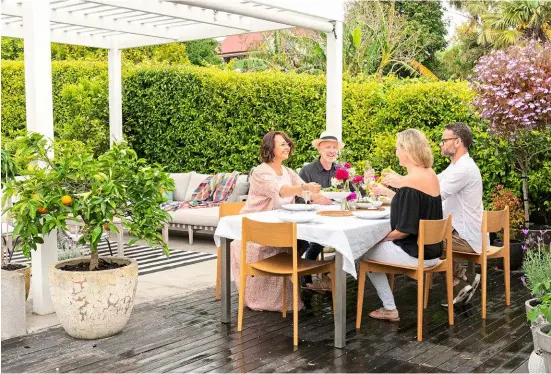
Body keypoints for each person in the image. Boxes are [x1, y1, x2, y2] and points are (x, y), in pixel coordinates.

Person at [374, 123, 484, 305]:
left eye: (444, 140)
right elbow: (425, 187)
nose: (440, 144)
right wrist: (402, 182)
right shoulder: (455, 167)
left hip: (463, 234)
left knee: (427, 238)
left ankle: (461, 279)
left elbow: (431, 194)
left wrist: (402, 183)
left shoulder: (464, 169)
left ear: (457, 142)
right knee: (430, 237)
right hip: (452, 230)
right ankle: (461, 280)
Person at [230, 131, 322, 312]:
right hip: (257, 230)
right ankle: (266, 297)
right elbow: (281, 190)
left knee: (302, 240)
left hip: (281, 226)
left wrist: (328, 198)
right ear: (270, 148)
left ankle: (293, 287)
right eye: (282, 144)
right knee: (299, 240)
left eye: (287, 143)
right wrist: (303, 188)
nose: (287, 147)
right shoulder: (260, 172)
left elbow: (307, 193)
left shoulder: (288, 171)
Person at [364, 129, 443, 321]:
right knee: (373, 246)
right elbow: (413, 203)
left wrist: (377, 239)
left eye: (397, 148)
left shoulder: (409, 184)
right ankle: (388, 306)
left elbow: (402, 232)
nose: (396, 153)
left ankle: (389, 308)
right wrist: (388, 190)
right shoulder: (428, 174)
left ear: (406, 151)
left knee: (361, 251)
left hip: (416, 255)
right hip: (433, 252)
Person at [297, 131, 342, 291]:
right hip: (314, 215)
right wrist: (314, 197)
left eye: (334, 148)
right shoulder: (307, 171)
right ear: (319, 149)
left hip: (337, 214)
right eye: (327, 147)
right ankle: (307, 278)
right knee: (318, 240)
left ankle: (332, 273)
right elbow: (299, 197)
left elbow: (351, 192)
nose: (332, 151)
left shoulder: (341, 170)